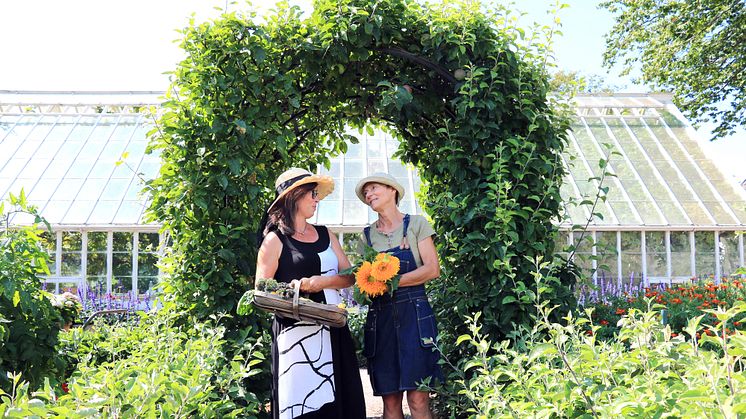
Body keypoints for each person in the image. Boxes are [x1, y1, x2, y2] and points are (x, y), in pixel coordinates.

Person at [256, 168, 365, 419]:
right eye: (312, 194)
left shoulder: (326, 235)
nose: (317, 199)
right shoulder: (275, 240)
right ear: (294, 196)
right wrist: (294, 291)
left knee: (340, 401)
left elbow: (351, 276)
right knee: (302, 403)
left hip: (333, 328)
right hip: (296, 336)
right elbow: (261, 289)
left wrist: (321, 282)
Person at [355, 172, 443, 419]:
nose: (369, 195)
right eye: (366, 193)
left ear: (392, 190)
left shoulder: (416, 224)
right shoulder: (367, 236)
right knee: (390, 401)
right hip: (380, 319)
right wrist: (370, 286)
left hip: (415, 316)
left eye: (373, 188)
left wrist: (391, 282)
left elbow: (432, 269)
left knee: (417, 398)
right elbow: (363, 281)